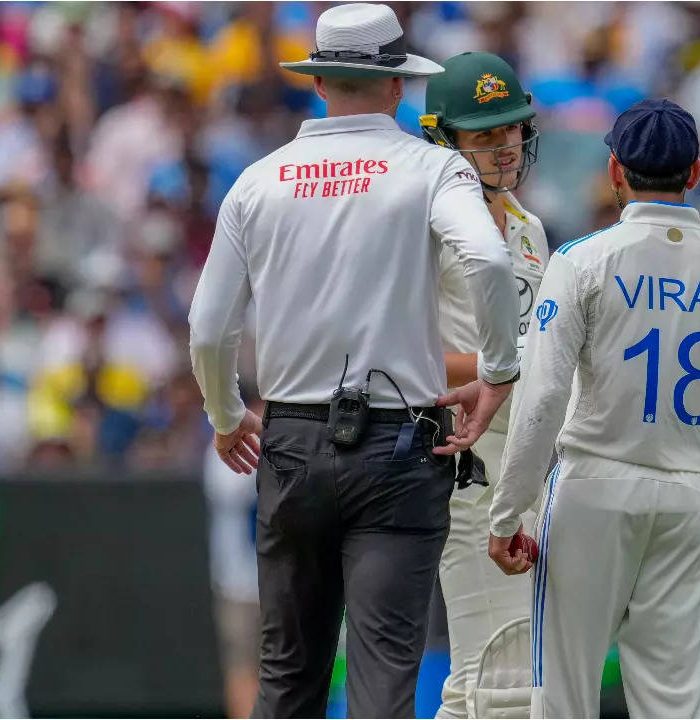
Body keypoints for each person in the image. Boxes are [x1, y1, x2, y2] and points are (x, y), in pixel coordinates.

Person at [187, 4, 522, 717]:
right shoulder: (432, 169)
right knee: (382, 678)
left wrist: (224, 414)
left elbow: (209, 326)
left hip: (292, 440)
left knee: (287, 678)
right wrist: (497, 370)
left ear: (319, 83)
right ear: (398, 86)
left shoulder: (259, 179)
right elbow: (490, 261)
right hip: (400, 445)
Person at [489, 99, 700, 718]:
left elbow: (542, 397)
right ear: (696, 174)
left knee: (562, 695)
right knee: (672, 701)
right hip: (692, 492)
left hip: (594, 483)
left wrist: (507, 512)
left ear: (615, 171)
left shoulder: (582, 259)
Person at [420, 51, 549, 720]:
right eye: (484, 135)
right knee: (494, 669)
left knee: (493, 677)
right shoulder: (427, 225)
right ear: (443, 140)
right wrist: (512, 361)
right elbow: (401, 356)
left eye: (511, 130)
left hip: (524, 461)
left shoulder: (528, 228)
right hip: (462, 457)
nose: (504, 147)